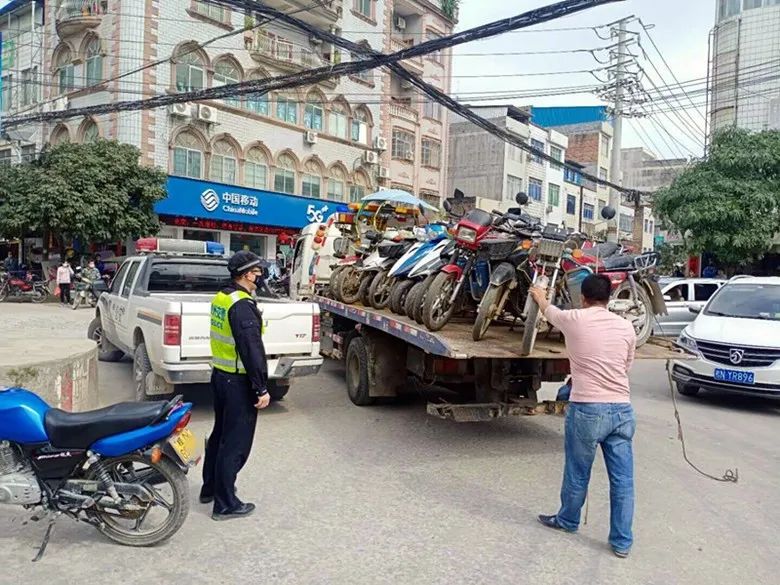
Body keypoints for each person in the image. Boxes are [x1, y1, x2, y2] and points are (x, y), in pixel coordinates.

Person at [529, 274, 637, 558]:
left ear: (583, 298)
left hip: (588, 409)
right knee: (623, 480)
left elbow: (546, 309)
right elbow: (626, 365)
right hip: (622, 410)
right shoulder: (627, 327)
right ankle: (622, 542)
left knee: (578, 472)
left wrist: (539, 292)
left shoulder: (574, 318)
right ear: (609, 298)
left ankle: (567, 520)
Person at [201, 251, 271, 521]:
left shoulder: (223, 296)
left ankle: (211, 488)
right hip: (238, 381)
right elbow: (251, 350)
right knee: (235, 443)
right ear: (245, 275)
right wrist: (261, 388)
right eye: (256, 272)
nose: (260, 276)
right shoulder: (242, 306)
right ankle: (226, 503)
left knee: (219, 435)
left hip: (220, 375)